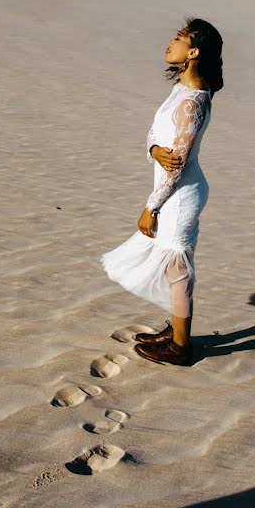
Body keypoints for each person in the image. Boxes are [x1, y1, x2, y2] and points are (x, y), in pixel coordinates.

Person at [101, 18, 224, 366]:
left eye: (179, 38)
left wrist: (150, 208)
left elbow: (178, 167)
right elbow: (155, 137)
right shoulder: (181, 91)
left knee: (178, 267)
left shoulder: (193, 103)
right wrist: (153, 150)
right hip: (171, 191)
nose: (170, 43)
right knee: (175, 268)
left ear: (194, 51)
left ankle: (181, 348)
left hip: (179, 196)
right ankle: (177, 332)